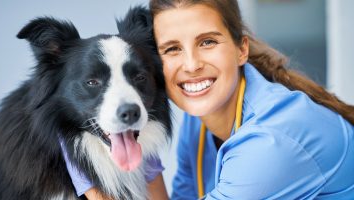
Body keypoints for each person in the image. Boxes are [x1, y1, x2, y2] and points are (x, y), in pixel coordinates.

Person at [64, 0, 354, 199]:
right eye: (173, 49)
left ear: (242, 49)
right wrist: (141, 160)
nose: (191, 65)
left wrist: (93, 183)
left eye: (207, 42)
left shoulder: (273, 142)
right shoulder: (200, 119)